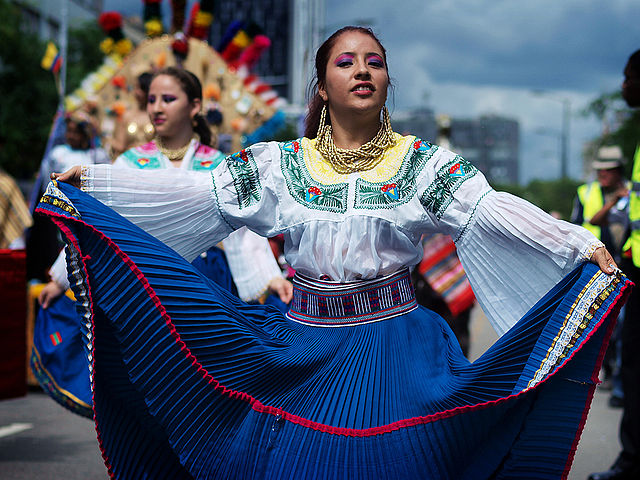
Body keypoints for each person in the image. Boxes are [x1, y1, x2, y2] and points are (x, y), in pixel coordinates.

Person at [45, 27, 629, 478]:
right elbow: (193, 192)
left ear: (387, 82)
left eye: (375, 62)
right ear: (322, 86)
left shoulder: (422, 166)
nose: (363, 71)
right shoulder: (279, 166)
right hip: (302, 349)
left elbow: (491, 209)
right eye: (346, 62)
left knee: (403, 467)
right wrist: (97, 187)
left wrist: (580, 241)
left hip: (397, 351)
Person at [33, 67, 291, 417]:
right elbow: (96, 223)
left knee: (205, 390)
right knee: (149, 388)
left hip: (204, 283)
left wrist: (271, 277)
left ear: (194, 106)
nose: (157, 107)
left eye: (168, 99)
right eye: (152, 99)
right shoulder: (129, 162)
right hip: (145, 283)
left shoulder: (218, 164)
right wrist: (60, 278)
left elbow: (243, 232)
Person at [589, 49, 640, 480]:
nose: (624, 86)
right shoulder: (592, 194)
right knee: (625, 347)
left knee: (632, 352)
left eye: (629, 78)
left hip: (632, 268)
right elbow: (587, 222)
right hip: (618, 270)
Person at [571, 145, 630, 404]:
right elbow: (581, 224)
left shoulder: (632, 194)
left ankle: (619, 383)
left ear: (618, 171)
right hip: (593, 268)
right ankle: (602, 369)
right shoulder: (587, 192)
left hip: (626, 264)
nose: (602, 174)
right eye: (600, 170)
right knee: (598, 323)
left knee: (622, 327)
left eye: (608, 170)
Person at [110, 71, 155, 157]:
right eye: (135, 87)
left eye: (141, 88)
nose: (137, 92)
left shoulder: (156, 115)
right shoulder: (127, 115)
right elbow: (120, 145)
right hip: (131, 162)